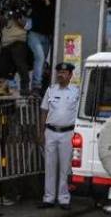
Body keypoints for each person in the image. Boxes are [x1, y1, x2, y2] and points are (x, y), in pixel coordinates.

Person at [38, 63, 79, 210]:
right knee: (49, 166)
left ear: (70, 75)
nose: (60, 75)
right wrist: (41, 133)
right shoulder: (50, 90)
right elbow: (43, 111)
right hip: (50, 132)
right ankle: (48, 198)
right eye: (59, 72)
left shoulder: (76, 92)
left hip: (67, 133)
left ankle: (63, 198)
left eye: (64, 72)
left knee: (65, 167)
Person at [28, 0, 56, 95]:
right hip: (34, 34)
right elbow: (30, 4)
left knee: (42, 60)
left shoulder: (54, 0)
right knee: (39, 57)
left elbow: (52, 13)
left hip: (47, 37)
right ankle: (36, 86)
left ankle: (39, 86)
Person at [0, 4, 31, 95]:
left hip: (19, 41)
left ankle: (25, 86)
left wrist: (17, 17)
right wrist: (4, 16)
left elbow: (28, 26)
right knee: (3, 66)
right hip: (6, 43)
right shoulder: (4, 11)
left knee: (20, 63)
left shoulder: (22, 12)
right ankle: (7, 87)